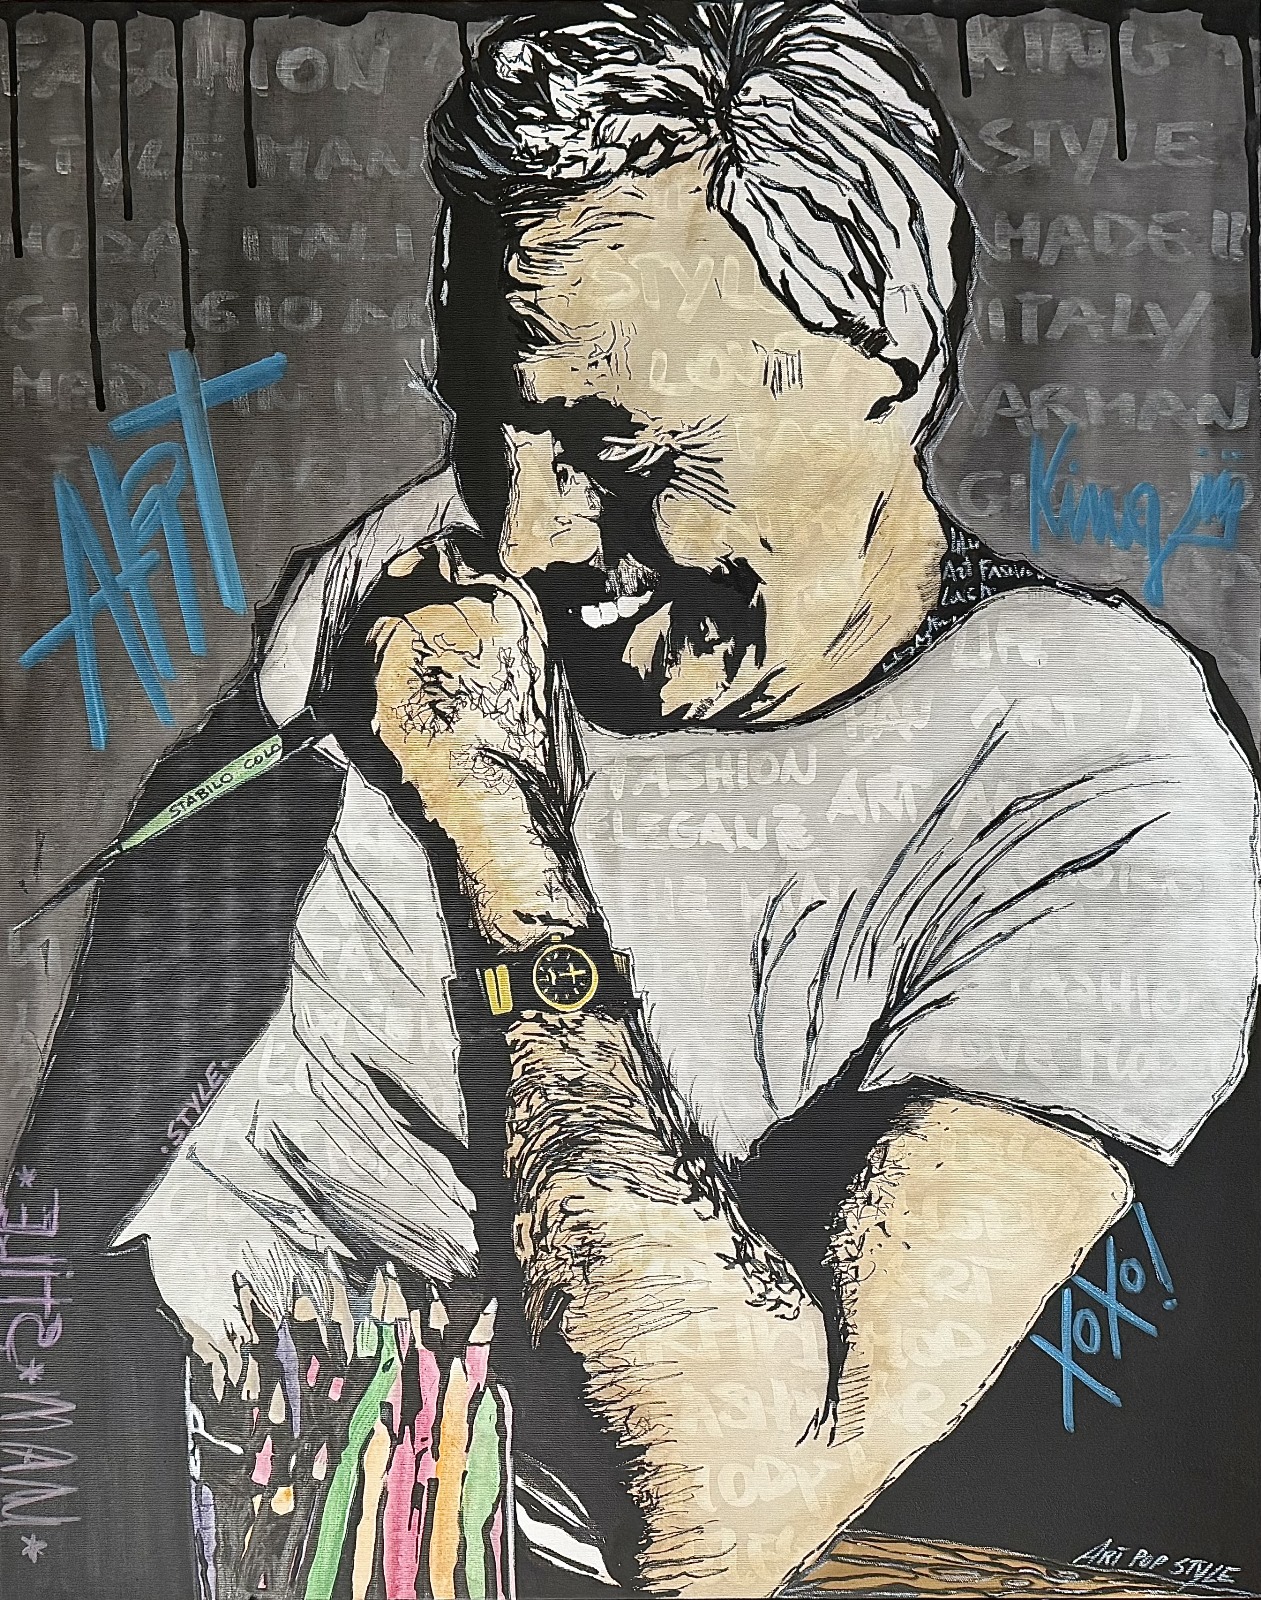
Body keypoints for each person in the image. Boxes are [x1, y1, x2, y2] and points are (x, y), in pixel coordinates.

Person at [5, 5, 1259, 1598]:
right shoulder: (413, 574)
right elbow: (77, 1164)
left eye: (621, 445)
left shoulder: (1100, 757)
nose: (526, 537)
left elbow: (716, 1519)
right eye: (488, 416)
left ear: (895, 363)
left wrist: (497, 834)